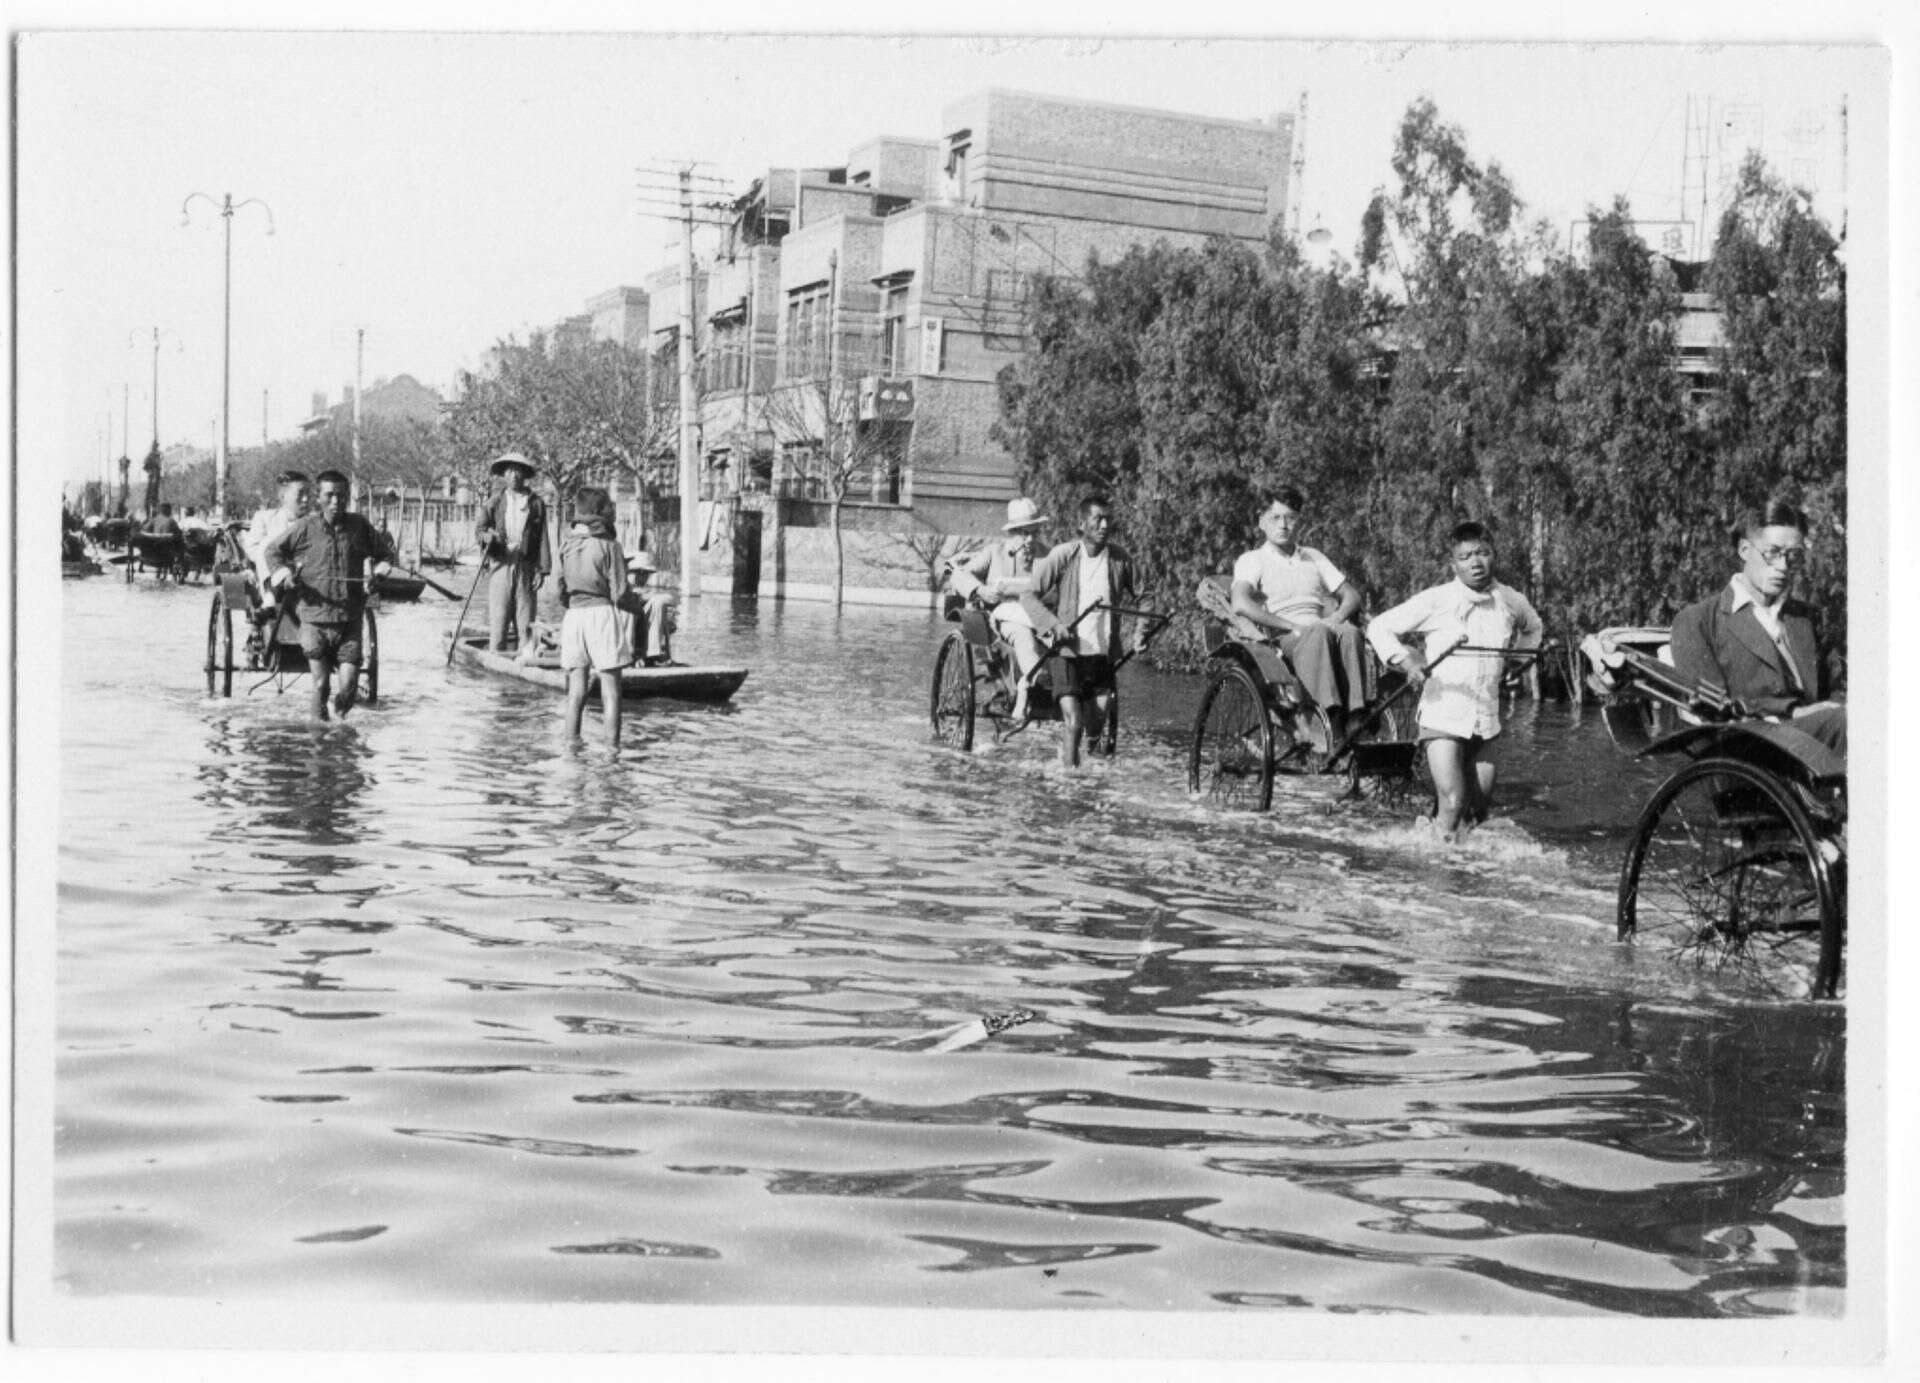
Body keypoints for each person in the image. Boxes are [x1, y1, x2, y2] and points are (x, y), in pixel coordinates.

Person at [1367, 521, 1543, 841]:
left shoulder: (1510, 600)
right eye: (1465, 557)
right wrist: (1408, 662)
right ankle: (1438, 877)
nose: (1475, 562)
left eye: (1482, 553)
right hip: (1443, 714)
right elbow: (1379, 627)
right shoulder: (1437, 600)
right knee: (1452, 802)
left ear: (1494, 556)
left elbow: (1534, 628)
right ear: (1454, 564)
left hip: (1486, 719)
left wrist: (1516, 662)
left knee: (1478, 811)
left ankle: (1462, 871)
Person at [1670, 501, 1845, 755]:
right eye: (1772, 553)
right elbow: (1711, 706)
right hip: (1747, 751)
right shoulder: (1697, 621)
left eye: (1793, 556)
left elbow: (1840, 686)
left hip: (1819, 743)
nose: (1783, 567)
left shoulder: (1808, 618)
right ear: (1744, 550)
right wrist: (1793, 710)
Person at [1229, 487, 1369, 743]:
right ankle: (1330, 717)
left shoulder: (1313, 556)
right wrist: (1290, 625)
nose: (1283, 525)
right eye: (1275, 517)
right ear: (1262, 522)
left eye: (1290, 518)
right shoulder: (1253, 559)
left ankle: (1357, 715)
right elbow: (1240, 603)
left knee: (1350, 631)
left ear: (1299, 522)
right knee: (1317, 631)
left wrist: (1336, 617)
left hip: (1322, 628)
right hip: (1286, 638)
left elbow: (1352, 596)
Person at [265, 469, 396, 722]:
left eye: (341, 496)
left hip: (349, 620)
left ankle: (339, 736)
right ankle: (320, 744)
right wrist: (285, 575)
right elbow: (273, 552)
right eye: (330, 496)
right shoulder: (305, 528)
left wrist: (380, 571)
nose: (336, 502)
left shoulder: (359, 526)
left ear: (347, 497)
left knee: (348, 690)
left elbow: (385, 554)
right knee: (321, 685)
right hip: (314, 620)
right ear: (319, 498)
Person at [1026, 494, 1145, 769]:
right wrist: (1055, 625)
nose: (1104, 525)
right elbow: (1029, 596)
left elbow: (1145, 595)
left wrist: (1140, 632)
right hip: (1066, 653)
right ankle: (1070, 782)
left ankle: (1087, 773)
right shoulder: (1063, 555)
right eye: (1097, 519)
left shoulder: (1121, 559)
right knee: (1074, 722)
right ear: (1082, 524)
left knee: (1096, 723)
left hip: (1102, 656)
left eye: (1108, 519)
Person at [947, 496, 1050, 722]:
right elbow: (959, 575)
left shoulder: (1048, 556)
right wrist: (980, 590)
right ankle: (1033, 681)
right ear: (1012, 533)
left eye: (1034, 532)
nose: (1030, 539)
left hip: (1040, 617)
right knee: (1023, 637)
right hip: (1003, 621)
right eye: (1024, 533)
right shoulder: (995, 553)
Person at [555, 486, 632, 746]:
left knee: (576, 692)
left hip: (574, 616)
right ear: (601, 511)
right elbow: (620, 593)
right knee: (611, 692)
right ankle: (612, 752)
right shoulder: (609, 545)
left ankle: (571, 745)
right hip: (601, 615)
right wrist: (639, 609)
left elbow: (560, 591)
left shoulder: (566, 544)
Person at [475, 452, 551, 654]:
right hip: (501, 563)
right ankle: (496, 658)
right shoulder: (495, 500)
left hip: (526, 565)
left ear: (524, 474)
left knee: (526, 621)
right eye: (509, 471)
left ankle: (524, 659)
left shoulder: (536, 503)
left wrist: (541, 570)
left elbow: (543, 537)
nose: (514, 475)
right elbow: (480, 529)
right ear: (504, 475)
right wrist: (488, 537)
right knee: (499, 619)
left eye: (518, 471)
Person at [248, 470, 312, 606]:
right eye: (300, 494)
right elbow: (253, 550)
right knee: (266, 546)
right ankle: (271, 596)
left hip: (305, 573)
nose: (306, 499)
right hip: (270, 575)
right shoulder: (264, 518)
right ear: (283, 496)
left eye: (308, 493)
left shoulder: (314, 522)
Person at [621, 550, 678, 667]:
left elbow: (669, 599)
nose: (643, 577)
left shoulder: (647, 594)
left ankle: (653, 654)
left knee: (659, 602)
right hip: (622, 629)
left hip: (639, 626)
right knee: (630, 607)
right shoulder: (620, 586)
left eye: (646, 574)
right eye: (638, 573)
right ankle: (630, 656)